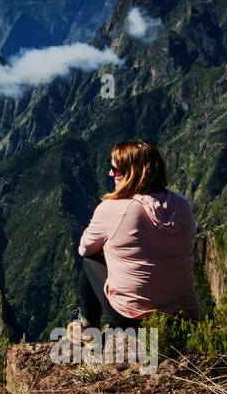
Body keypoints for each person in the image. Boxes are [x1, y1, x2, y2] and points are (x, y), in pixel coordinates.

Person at [71, 139, 199, 334]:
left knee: (91, 259)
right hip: (184, 316)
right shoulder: (183, 206)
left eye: (116, 169)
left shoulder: (113, 209)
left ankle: (88, 327)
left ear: (132, 173)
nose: (110, 173)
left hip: (132, 319)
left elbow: (85, 249)